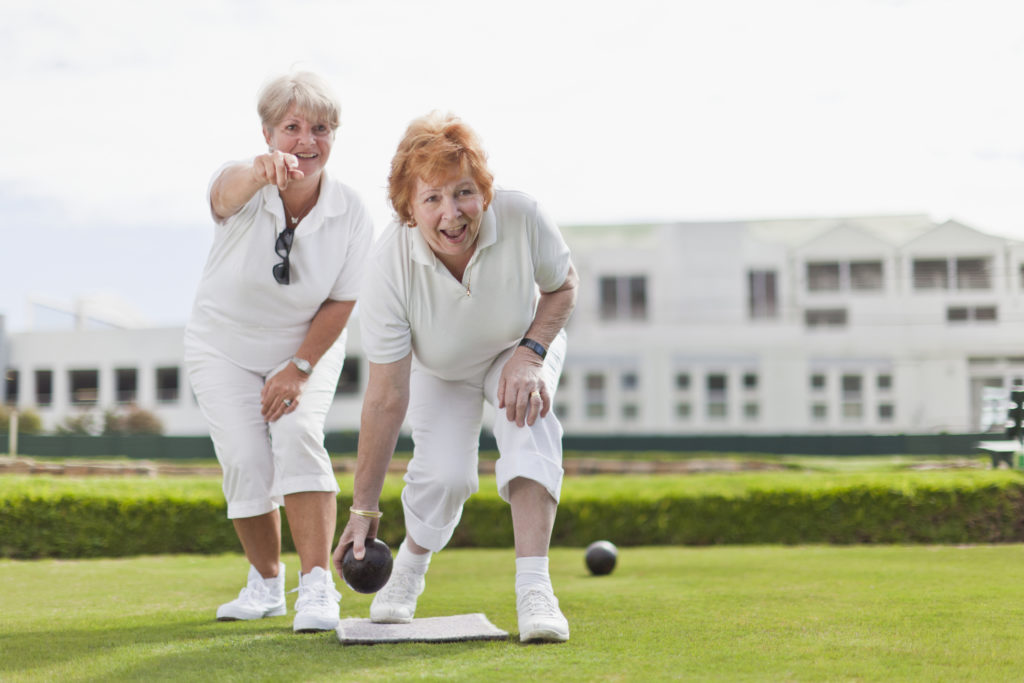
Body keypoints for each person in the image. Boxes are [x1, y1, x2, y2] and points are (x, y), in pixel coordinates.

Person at [332, 111, 578, 643]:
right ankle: (410, 572)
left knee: (525, 415)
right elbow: (385, 395)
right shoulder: (387, 266)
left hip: (519, 347)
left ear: (484, 193)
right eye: (432, 199)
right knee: (444, 476)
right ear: (408, 208)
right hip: (441, 369)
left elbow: (563, 286)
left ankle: (535, 589)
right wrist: (363, 507)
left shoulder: (522, 214)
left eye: (464, 193)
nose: (452, 214)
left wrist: (532, 352)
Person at [185, 71, 372, 633]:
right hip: (222, 346)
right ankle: (265, 584)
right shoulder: (239, 182)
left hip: (306, 347)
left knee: (295, 435)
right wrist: (256, 173)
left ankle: (316, 588)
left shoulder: (352, 211)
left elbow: (343, 300)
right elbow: (225, 194)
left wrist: (299, 366)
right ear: (267, 132)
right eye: (291, 128)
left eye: (320, 128)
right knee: (245, 458)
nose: (306, 141)